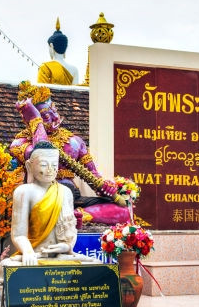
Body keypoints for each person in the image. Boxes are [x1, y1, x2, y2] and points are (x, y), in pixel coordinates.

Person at [10, 81, 130, 226]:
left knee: (123, 211)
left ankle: (80, 216)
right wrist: (36, 121)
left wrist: (105, 187)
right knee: (47, 207)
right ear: (29, 118)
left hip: (73, 196)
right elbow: (43, 153)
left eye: (54, 111)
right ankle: (68, 215)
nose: (55, 118)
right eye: (46, 117)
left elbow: (94, 176)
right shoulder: (20, 143)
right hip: (44, 197)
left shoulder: (74, 141)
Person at [9, 142, 79, 265]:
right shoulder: (24, 192)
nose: (50, 170)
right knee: (8, 265)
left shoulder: (65, 192)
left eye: (54, 165)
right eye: (43, 165)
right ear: (29, 166)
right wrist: (27, 251)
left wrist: (66, 247)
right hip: (35, 255)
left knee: (95, 263)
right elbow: (18, 234)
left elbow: (70, 229)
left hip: (60, 258)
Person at [36, 19, 78, 85]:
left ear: (51, 46)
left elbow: (41, 92)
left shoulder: (45, 67)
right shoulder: (74, 70)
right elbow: (75, 93)